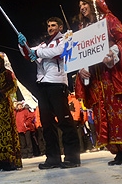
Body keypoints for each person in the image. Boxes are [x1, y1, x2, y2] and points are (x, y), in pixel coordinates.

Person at [73, 0, 122, 165]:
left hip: (113, 74)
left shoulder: (109, 20)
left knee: (120, 110)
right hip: (97, 79)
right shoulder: (83, 29)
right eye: (80, 6)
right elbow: (81, 54)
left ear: (94, 3)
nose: (82, 8)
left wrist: (113, 52)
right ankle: (117, 150)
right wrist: (81, 68)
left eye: (84, 3)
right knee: (103, 113)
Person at [18, 17, 81, 169]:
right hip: (43, 84)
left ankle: (72, 157)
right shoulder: (43, 44)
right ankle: (53, 157)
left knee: (64, 120)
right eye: (48, 26)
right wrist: (22, 45)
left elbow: (58, 52)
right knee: (47, 124)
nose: (50, 28)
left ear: (60, 27)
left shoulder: (64, 38)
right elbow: (28, 54)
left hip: (57, 83)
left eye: (53, 25)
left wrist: (36, 52)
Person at [0, 52, 22, 171]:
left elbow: (13, 87)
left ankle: (9, 161)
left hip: (4, 107)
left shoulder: (7, 73)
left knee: (6, 133)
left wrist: (1, 94)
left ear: (2, 63)